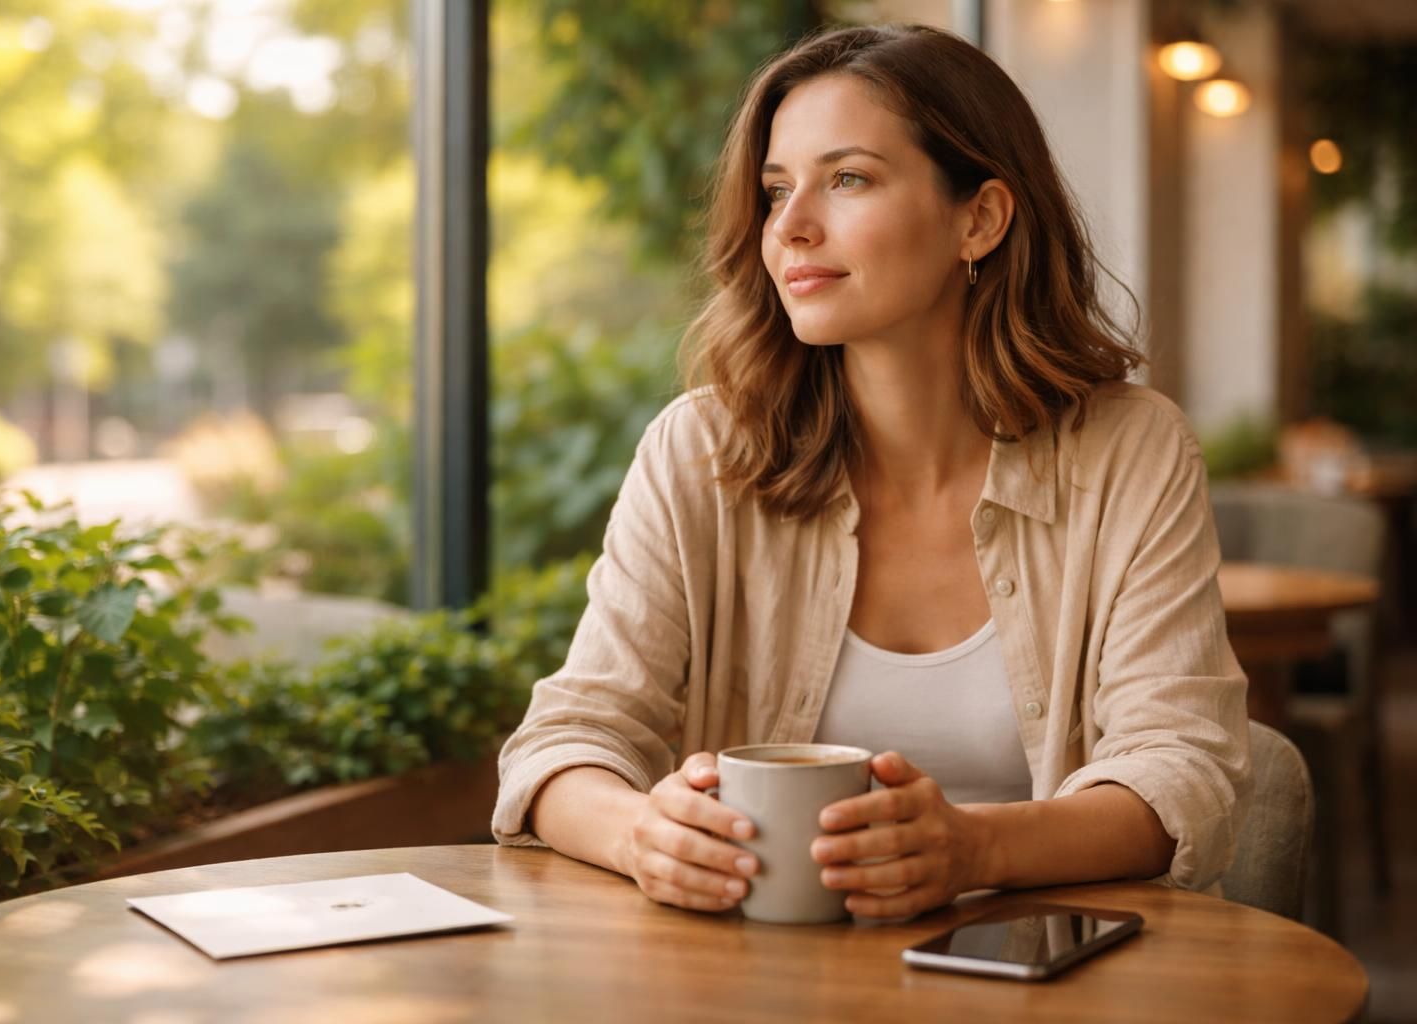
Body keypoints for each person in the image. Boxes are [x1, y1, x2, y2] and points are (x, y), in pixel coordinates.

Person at [491, 23, 1251, 920]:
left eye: (846, 178)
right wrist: (638, 833)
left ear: (981, 216)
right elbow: (565, 742)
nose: (791, 228)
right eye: (776, 191)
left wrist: (974, 847)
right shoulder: (700, 452)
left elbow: (1182, 769)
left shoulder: (1131, 451)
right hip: (747, 983)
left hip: (1039, 980)